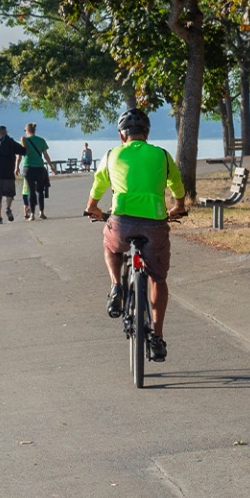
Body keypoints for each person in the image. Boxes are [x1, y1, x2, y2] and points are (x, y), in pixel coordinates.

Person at [85, 109, 188, 362]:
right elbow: (177, 185)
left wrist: (93, 208)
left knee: (111, 247)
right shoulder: (162, 155)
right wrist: (179, 207)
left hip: (122, 222)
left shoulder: (111, 155)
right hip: (155, 224)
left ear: (122, 135)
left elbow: (98, 185)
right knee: (158, 279)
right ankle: (157, 338)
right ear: (147, 133)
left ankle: (116, 286)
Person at [0, 125, 26, 224]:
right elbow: (23, 151)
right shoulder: (11, 143)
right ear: (5, 132)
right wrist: (24, 141)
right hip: (9, 174)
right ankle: (8, 208)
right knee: (9, 193)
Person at [20, 123, 53, 220]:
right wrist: (51, 166)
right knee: (40, 191)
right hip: (39, 167)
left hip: (28, 168)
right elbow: (46, 155)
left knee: (31, 191)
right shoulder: (41, 140)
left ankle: (32, 215)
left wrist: (16, 167)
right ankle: (41, 212)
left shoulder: (24, 140)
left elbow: (19, 156)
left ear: (26, 130)